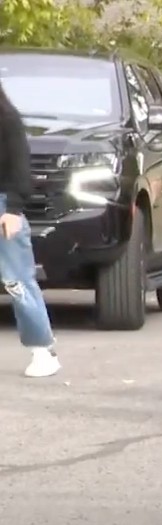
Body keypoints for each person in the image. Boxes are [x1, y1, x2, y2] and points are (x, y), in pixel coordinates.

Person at [0, 79, 61, 378]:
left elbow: (20, 170)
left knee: (17, 280)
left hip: (3, 207)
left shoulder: (8, 121)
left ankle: (43, 349)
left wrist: (13, 209)